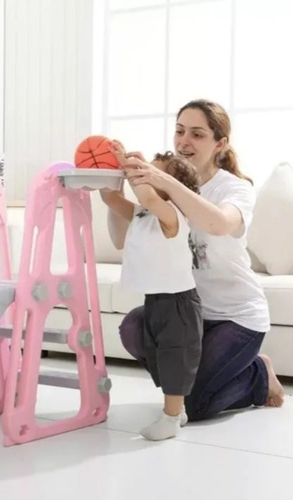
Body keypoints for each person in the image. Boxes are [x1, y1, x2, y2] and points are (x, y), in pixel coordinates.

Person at [101, 99, 284, 424]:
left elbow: (219, 223)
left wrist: (160, 179)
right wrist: (119, 184)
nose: (184, 140)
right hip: (186, 312)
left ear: (220, 144)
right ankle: (183, 389)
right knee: (133, 327)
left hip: (235, 317)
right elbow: (120, 237)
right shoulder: (167, 182)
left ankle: (258, 374)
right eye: (180, 131)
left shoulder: (235, 189)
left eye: (197, 134)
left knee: (195, 407)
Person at [103, 149, 203, 440]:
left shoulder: (173, 215)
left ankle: (171, 419)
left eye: (152, 172)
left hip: (178, 303)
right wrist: (109, 167)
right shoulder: (143, 213)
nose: (143, 174)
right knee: (158, 354)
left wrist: (132, 165)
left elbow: (148, 196)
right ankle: (177, 411)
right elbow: (110, 199)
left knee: (175, 357)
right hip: (156, 298)